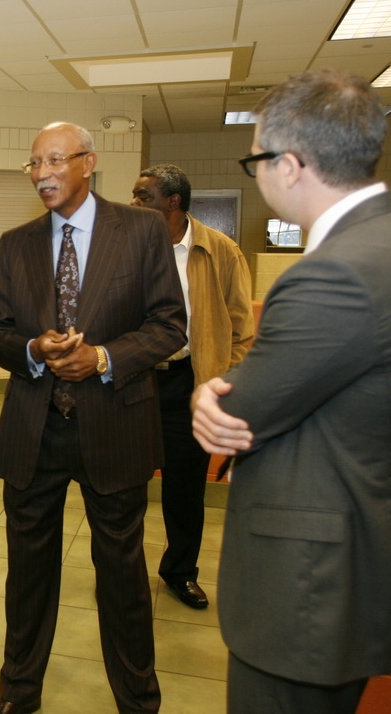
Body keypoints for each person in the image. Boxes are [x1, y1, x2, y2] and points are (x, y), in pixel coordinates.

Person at [191, 70, 391, 713]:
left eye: (256, 160)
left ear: (289, 165)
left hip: (309, 589)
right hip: (368, 557)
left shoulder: (335, 275)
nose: (257, 174)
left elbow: (238, 410)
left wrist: (204, 392)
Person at [0, 122, 186, 714]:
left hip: (116, 424)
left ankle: (139, 701)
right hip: (33, 431)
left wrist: (102, 357)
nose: (42, 173)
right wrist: (32, 351)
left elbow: (169, 325)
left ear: (88, 162)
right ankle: (19, 695)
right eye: (33, 163)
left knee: (121, 577)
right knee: (27, 576)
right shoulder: (15, 244)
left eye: (54, 161)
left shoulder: (142, 230)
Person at [130, 163, 254, 609]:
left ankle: (180, 572)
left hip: (190, 385)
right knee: (123, 490)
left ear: (173, 202)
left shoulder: (219, 251)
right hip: (133, 385)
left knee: (185, 492)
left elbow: (242, 327)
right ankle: (122, 575)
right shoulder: (125, 247)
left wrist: (223, 380)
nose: (134, 204)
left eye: (143, 196)